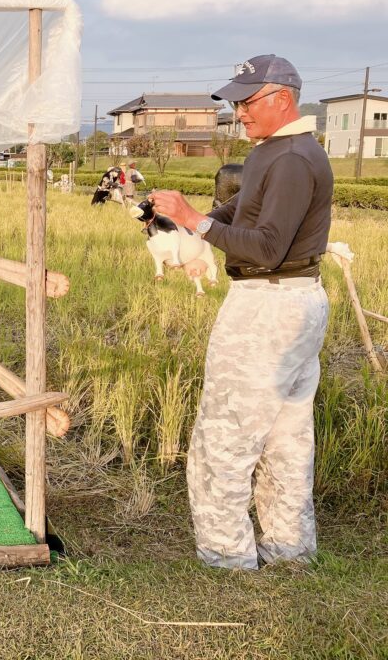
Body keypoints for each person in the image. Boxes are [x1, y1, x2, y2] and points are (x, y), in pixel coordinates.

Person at [149, 54, 333, 570]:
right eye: (236, 101)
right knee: (285, 436)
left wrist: (194, 221)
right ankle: (289, 549)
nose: (240, 111)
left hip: (269, 304)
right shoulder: (271, 152)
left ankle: (226, 555)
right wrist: (194, 219)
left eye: (248, 101)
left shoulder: (294, 158)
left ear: (283, 98)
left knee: (224, 436)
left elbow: (268, 246)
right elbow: (243, 210)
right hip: (291, 302)